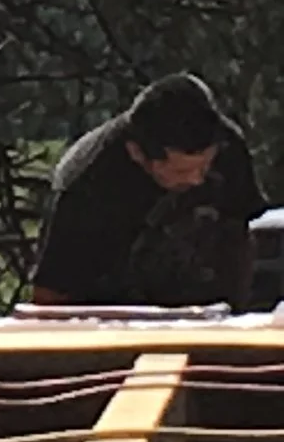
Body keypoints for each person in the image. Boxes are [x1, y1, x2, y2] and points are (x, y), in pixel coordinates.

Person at [30, 73, 266, 309]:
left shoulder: (227, 145)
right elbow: (51, 298)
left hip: (211, 311)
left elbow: (244, 232)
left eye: (205, 166)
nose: (196, 180)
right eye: (181, 171)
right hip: (114, 321)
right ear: (137, 154)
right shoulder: (84, 187)